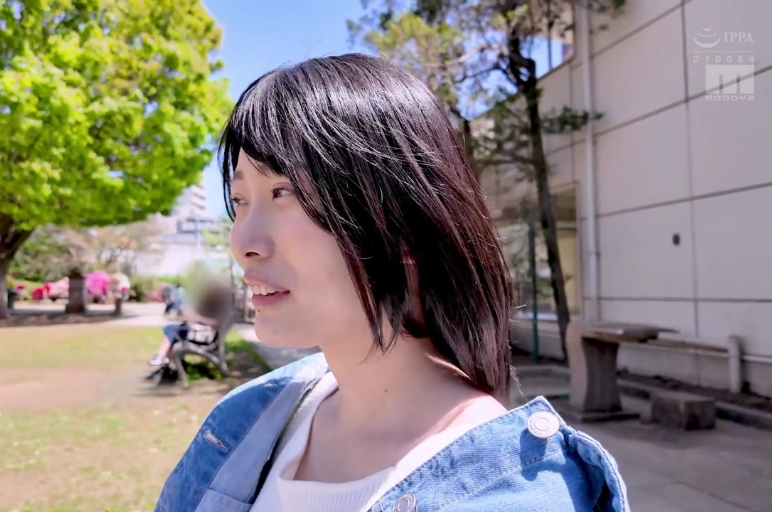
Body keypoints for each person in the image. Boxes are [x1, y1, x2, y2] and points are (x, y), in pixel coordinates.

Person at [155, 54, 629, 511]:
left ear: (404, 225)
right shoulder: (249, 418)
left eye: (283, 192)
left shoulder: (510, 495)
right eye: (239, 200)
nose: (243, 242)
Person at [147, 280, 232, 367]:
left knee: (172, 329)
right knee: (172, 328)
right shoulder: (218, 307)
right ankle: (163, 358)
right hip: (203, 333)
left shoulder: (217, 308)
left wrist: (198, 318)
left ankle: (161, 356)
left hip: (203, 336)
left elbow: (214, 322)